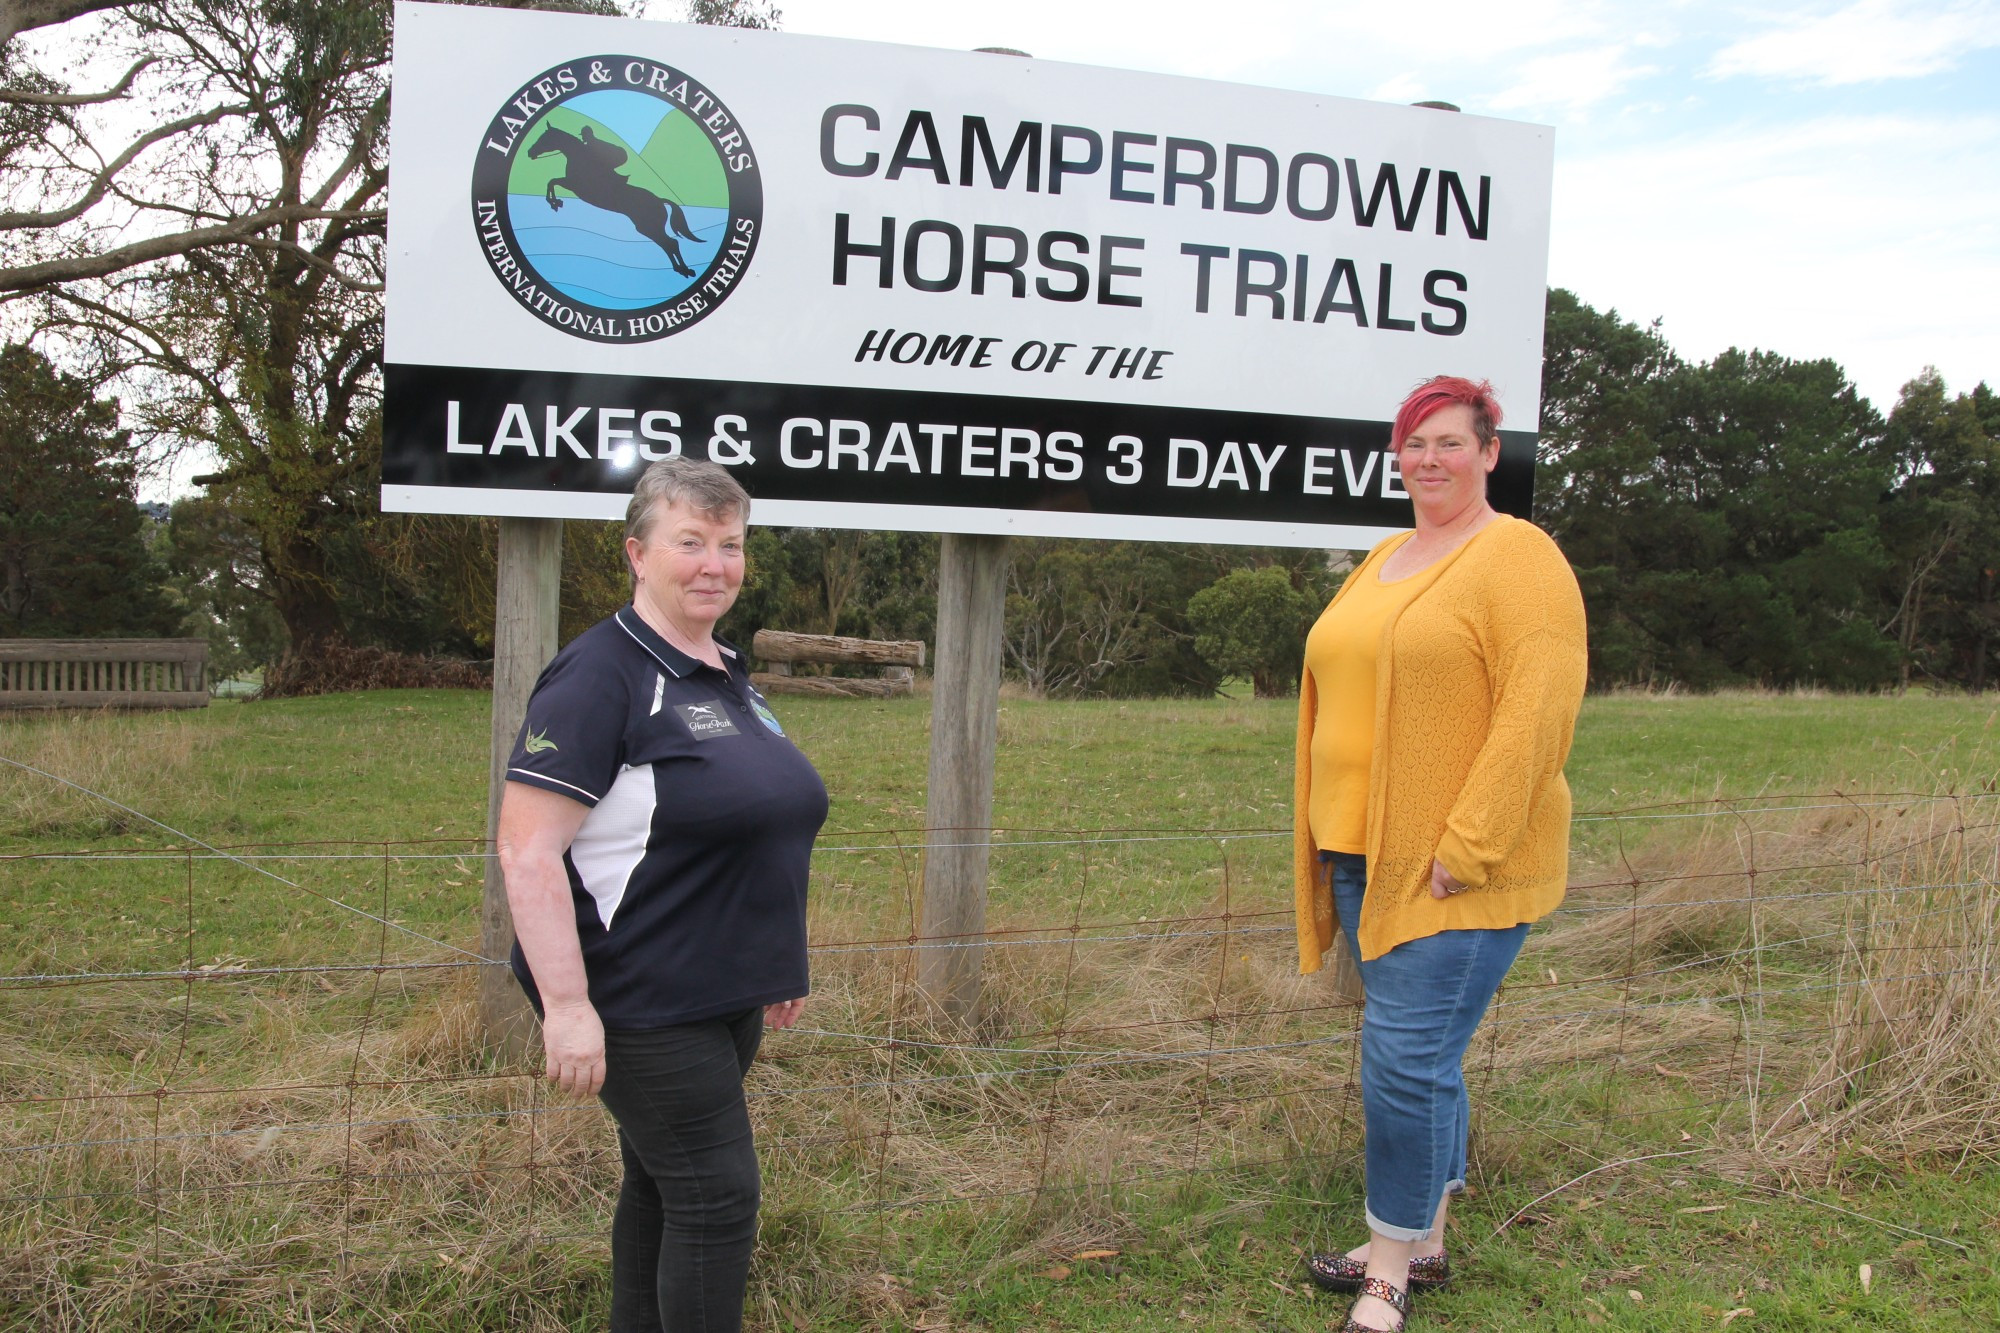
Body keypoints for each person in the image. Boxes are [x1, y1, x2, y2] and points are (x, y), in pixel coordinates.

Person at [497, 456, 828, 1333]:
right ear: (638, 553)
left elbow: (754, 823)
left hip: (725, 987)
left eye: (730, 543)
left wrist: (777, 954)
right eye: (690, 541)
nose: (713, 563)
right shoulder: (600, 674)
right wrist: (566, 1005)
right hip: (642, 995)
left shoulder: (721, 666)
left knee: (663, 1178)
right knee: (717, 1195)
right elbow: (527, 851)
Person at [1291, 376, 1587, 1332]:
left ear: (1490, 453)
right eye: (1415, 443)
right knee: (1426, 1056)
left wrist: (1470, 842)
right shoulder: (1385, 554)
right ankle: (1428, 1238)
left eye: (1451, 441)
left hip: (1450, 865)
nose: (1429, 459)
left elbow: (1536, 710)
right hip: (1360, 853)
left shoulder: (1520, 557)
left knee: (1402, 1061)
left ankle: (1386, 1271)